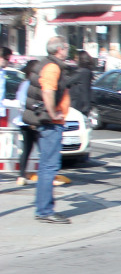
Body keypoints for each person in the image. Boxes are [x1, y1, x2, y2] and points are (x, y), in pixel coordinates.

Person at [25, 37, 72, 223]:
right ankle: (45, 211)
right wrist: (54, 113)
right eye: (67, 46)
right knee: (49, 167)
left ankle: (43, 208)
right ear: (59, 49)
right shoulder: (53, 67)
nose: (68, 50)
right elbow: (47, 91)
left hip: (47, 122)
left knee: (46, 166)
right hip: (51, 123)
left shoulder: (47, 64)